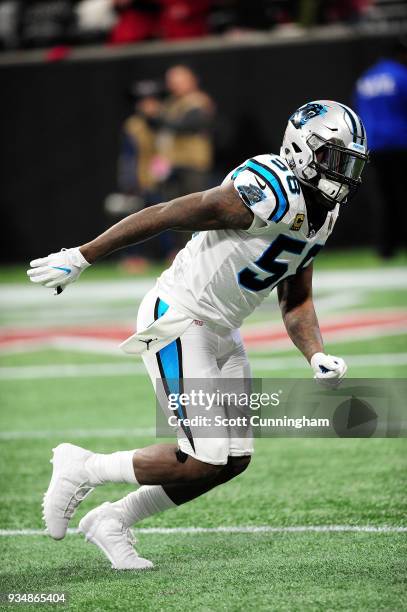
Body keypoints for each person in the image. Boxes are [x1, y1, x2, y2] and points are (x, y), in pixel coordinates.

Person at [28, 100, 368, 570]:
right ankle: (83, 466)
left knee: (232, 459)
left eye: (352, 163)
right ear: (302, 149)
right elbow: (168, 211)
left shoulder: (324, 214)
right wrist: (84, 255)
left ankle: (112, 521)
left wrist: (316, 355)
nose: (345, 174)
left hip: (223, 329)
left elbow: (297, 299)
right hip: (181, 316)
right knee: (203, 456)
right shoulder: (269, 189)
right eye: (336, 159)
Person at [354, 39, 407, 257]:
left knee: (385, 199)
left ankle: (386, 248)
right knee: (403, 196)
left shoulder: (366, 79)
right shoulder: (401, 76)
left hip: (375, 146)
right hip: (400, 143)